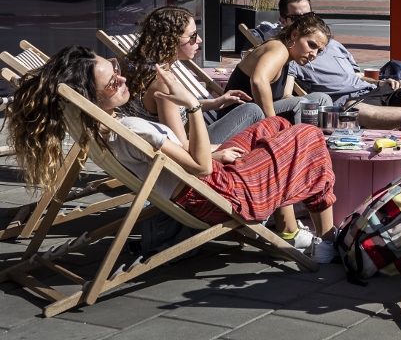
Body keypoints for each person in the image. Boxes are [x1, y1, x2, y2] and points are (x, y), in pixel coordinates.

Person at [7, 45, 339, 263]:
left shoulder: (102, 125)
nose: (121, 78)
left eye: (113, 67)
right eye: (112, 82)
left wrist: (214, 152)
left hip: (207, 180)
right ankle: (326, 240)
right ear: (91, 97)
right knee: (307, 134)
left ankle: (290, 226)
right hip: (216, 195)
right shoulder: (134, 129)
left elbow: (182, 158)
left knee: (274, 125)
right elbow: (197, 166)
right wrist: (192, 105)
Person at [277, 0, 401, 130]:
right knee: (354, 110)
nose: (304, 22)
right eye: (296, 18)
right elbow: (287, 96)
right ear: (283, 21)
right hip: (355, 103)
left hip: (378, 90)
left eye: (308, 15)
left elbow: (356, 75)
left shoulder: (333, 45)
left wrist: (381, 81)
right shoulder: (292, 55)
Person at [122, 5, 265, 148]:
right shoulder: (164, 84)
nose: (199, 40)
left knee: (251, 111)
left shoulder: (137, 67)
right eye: (193, 36)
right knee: (252, 111)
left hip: (178, 145)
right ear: (171, 40)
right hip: (195, 152)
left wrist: (216, 102)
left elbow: (173, 110)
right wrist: (221, 149)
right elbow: (180, 145)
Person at [218, 13, 332, 123]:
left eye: (319, 51)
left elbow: (280, 97)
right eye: (311, 45)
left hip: (254, 114)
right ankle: (300, 141)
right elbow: (258, 80)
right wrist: (272, 122)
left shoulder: (287, 56)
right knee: (302, 103)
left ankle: (327, 138)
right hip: (237, 119)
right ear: (295, 35)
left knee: (322, 99)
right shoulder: (279, 49)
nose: (314, 54)